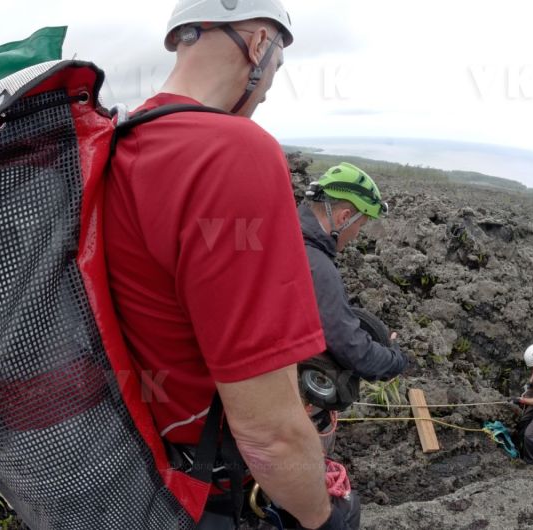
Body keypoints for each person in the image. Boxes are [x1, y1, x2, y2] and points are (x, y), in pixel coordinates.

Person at [104, 1, 357, 528]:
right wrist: (323, 515)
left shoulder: (117, 141)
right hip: (198, 492)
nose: (265, 93)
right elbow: (269, 433)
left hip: (122, 472)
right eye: (276, 72)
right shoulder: (233, 153)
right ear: (260, 44)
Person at [300, 163, 407, 382]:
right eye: (361, 224)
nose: (358, 234)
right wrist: (396, 358)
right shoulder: (317, 267)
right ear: (343, 217)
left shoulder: (285, 232)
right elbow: (355, 353)